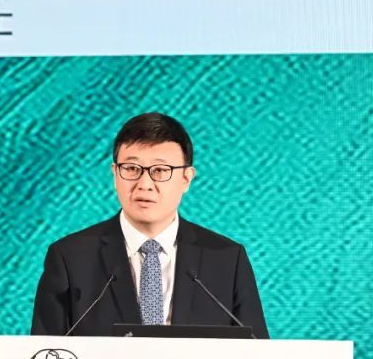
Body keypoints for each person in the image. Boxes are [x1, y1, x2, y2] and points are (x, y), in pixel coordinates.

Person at [30, 112, 269, 338]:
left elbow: (259, 355)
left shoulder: (227, 259)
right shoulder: (70, 258)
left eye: (160, 170)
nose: (144, 184)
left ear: (186, 179)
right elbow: (40, 356)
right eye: (131, 169)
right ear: (115, 174)